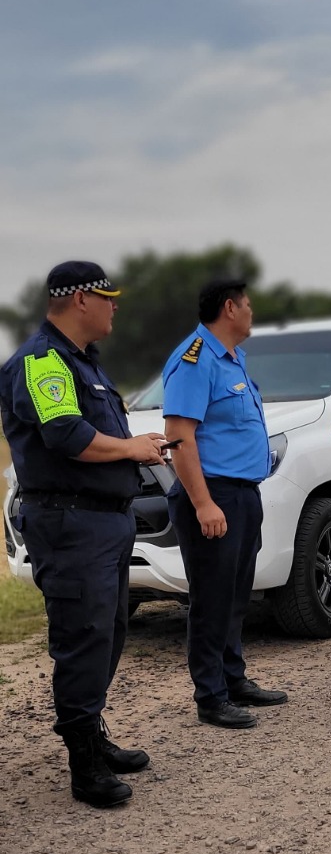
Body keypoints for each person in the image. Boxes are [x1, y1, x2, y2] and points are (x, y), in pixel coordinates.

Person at [0, 260, 167, 807]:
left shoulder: (83, 363)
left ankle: (91, 733)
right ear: (80, 301)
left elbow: (92, 432)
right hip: (71, 524)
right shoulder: (44, 361)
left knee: (108, 634)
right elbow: (67, 435)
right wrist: (132, 448)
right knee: (83, 639)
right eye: (109, 297)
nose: (115, 307)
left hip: (103, 521)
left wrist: (135, 444)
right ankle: (84, 767)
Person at [162, 279, 288, 726]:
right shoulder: (195, 360)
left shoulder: (232, 359)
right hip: (212, 496)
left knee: (236, 596)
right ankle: (210, 697)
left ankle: (234, 680)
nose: (253, 312)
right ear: (230, 309)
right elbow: (179, 438)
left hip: (242, 495)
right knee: (212, 599)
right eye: (249, 305)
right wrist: (202, 503)